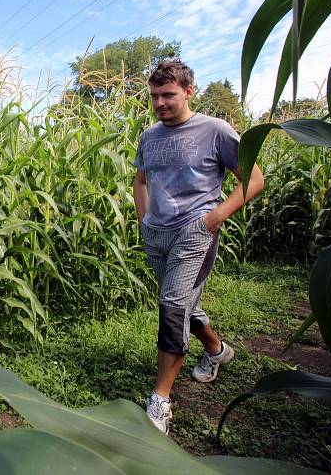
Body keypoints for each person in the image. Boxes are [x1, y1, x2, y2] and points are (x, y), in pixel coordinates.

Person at [132, 60, 264, 434]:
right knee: (184, 305)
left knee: (172, 306)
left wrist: (214, 217)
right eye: (154, 96)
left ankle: (160, 399)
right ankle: (217, 350)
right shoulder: (149, 137)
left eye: (168, 95)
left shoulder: (215, 131)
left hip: (195, 232)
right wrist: (144, 220)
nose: (160, 103)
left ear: (189, 91)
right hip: (156, 235)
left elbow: (254, 180)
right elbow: (140, 181)